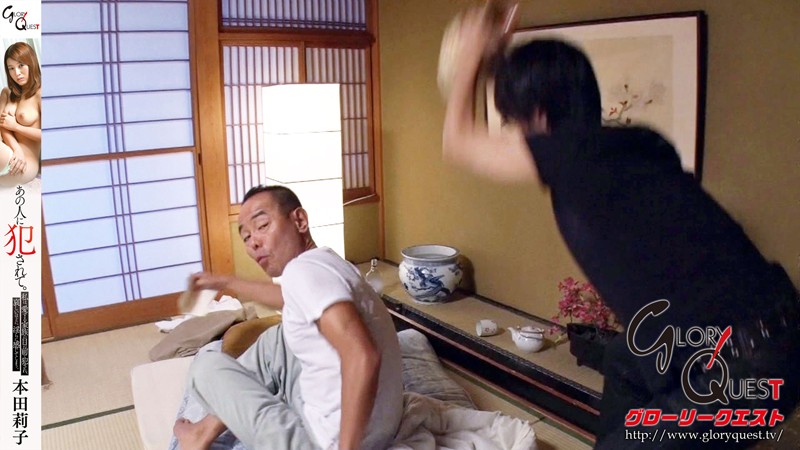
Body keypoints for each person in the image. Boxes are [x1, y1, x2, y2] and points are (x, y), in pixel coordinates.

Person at [442, 7, 800, 449]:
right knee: (624, 360)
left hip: (745, 365)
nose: (512, 137)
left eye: (513, 122)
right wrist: (494, 55)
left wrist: (469, 60)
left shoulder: (577, 156)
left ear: (539, 115)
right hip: (757, 335)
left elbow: (458, 141)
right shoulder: (626, 147)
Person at [173, 185, 403, 450]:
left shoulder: (301, 272)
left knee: (204, 363)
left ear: (300, 220)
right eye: (246, 237)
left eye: (262, 226)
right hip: (381, 429)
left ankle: (204, 428)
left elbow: (362, 356)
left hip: (326, 442)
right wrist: (225, 282)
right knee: (277, 338)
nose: (253, 243)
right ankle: (207, 427)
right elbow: (288, 298)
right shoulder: (327, 262)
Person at [0, 41, 41, 187]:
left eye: (21, 65)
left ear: (31, 63)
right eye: (11, 68)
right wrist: (16, 149)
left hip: (24, 162)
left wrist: (16, 127)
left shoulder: (40, 94)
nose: (16, 73)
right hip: (7, 151)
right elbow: (2, 125)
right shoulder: (7, 92)